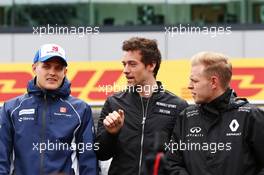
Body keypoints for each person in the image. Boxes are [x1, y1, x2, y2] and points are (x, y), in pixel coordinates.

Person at [0, 44, 98, 175]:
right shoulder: (11, 108)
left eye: (58, 68)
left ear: (65, 72)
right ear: (34, 68)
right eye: (46, 66)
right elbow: (2, 157)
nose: (52, 72)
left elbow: (89, 161)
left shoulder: (80, 109)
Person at [95, 37, 188, 175]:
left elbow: (184, 158)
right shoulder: (114, 102)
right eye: (124, 64)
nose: (125, 70)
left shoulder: (178, 106)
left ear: (151, 65)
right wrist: (111, 134)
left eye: (132, 64)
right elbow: (101, 154)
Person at [166, 51, 264, 175]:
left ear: (213, 82)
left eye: (194, 81)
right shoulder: (186, 117)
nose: (189, 86)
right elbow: (172, 163)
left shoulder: (250, 116)